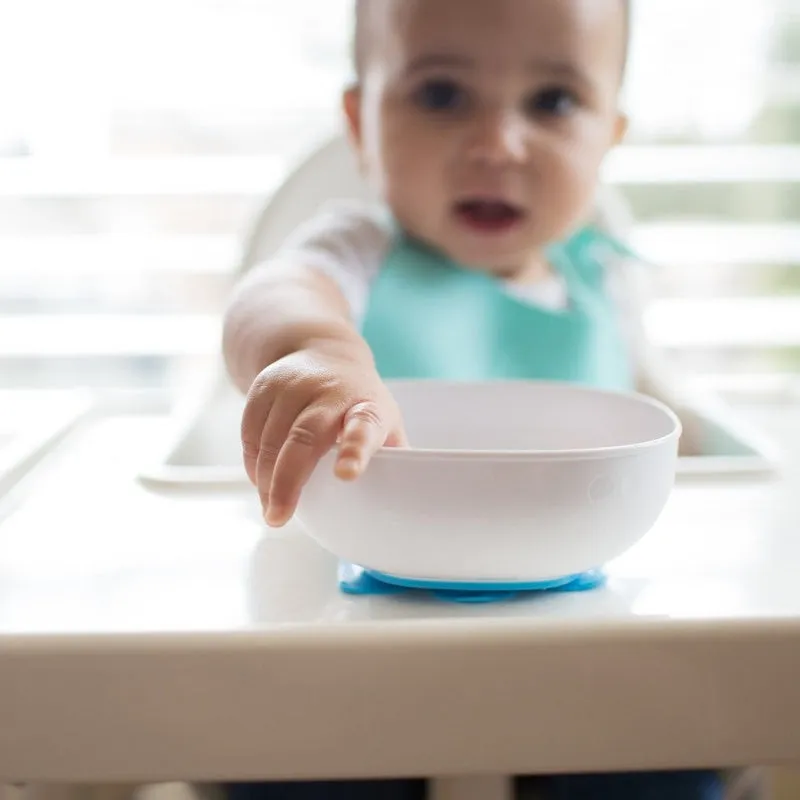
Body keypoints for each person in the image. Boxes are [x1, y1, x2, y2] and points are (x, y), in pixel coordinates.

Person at [222, 0, 721, 796]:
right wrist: (316, 352)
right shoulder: (354, 249)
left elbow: (676, 426)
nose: (497, 144)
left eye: (553, 102)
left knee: (682, 742)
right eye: (442, 95)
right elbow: (272, 296)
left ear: (609, 138)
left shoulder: (604, 280)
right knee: (293, 763)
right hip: (356, 643)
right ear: (361, 121)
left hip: (579, 643)